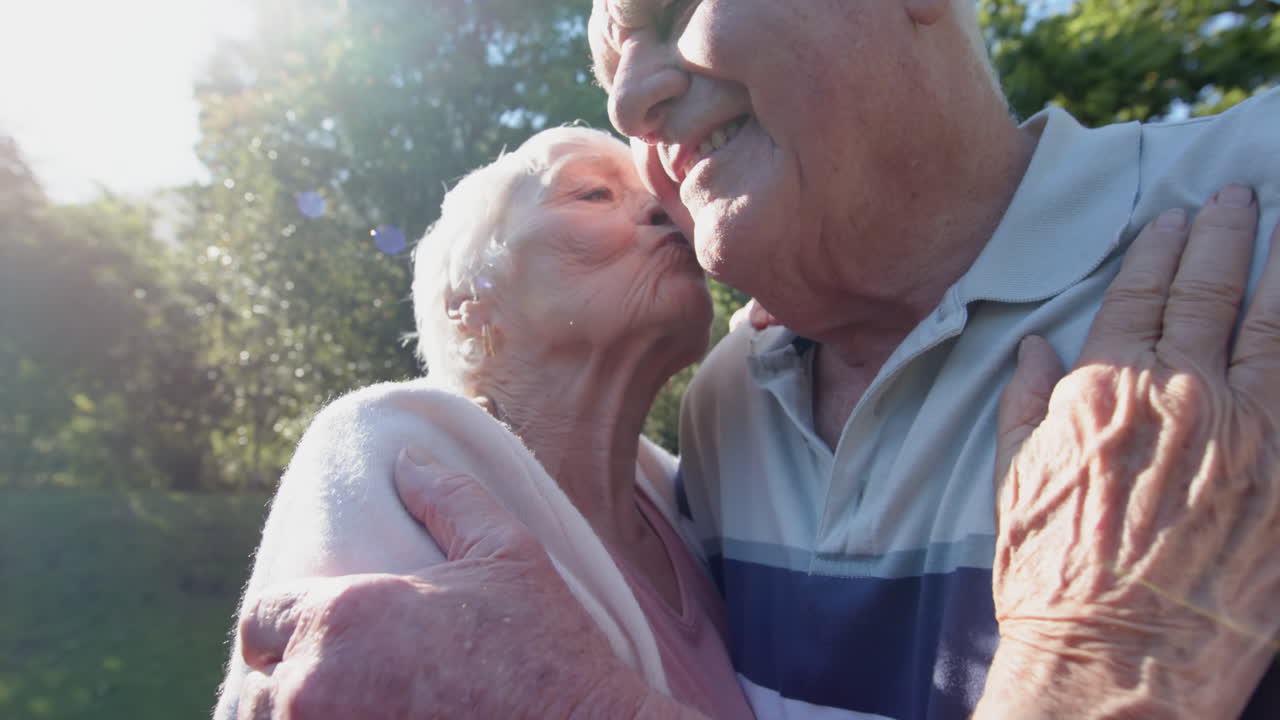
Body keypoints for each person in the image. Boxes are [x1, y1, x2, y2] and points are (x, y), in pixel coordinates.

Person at [234, 0, 1280, 716]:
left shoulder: (1255, 204)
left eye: (671, 5)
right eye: (608, 63)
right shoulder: (725, 411)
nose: (628, 105)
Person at [215, 126, 752, 719]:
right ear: (469, 298)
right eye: (594, 194)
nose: (665, 206)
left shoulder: (710, 509)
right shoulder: (387, 451)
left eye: (662, 193)